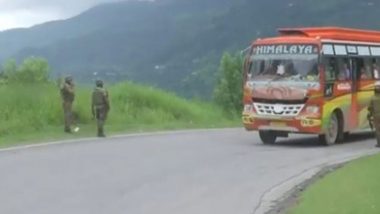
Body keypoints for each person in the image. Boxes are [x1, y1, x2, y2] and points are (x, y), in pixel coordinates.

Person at [368, 82, 380, 147]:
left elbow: (370, 108)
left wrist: (370, 115)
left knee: (377, 130)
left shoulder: (373, 98)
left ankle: (379, 143)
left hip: (376, 116)